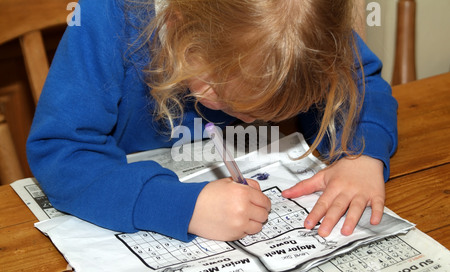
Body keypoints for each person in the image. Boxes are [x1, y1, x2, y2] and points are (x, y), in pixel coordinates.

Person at [26, 0, 397, 242]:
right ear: (181, 28)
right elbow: (61, 152)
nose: (252, 120)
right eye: (233, 102)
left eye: (272, 110)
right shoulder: (106, 14)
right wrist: (178, 206)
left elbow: (363, 85)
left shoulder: (304, 17)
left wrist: (362, 154)